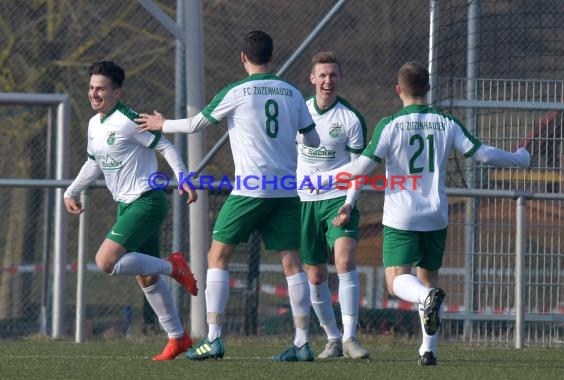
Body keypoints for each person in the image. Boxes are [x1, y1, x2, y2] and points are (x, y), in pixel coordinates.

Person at [311, 61, 531, 366]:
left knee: (397, 282)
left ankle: (426, 312)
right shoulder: (446, 122)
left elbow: (360, 167)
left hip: (402, 216)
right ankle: (429, 350)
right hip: (436, 214)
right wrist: (519, 158)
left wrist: (321, 179)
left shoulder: (389, 124)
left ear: (398, 90)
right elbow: (482, 154)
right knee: (428, 280)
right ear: (428, 89)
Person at [136, 30, 321, 362]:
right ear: (272, 56)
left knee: (217, 257)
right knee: (293, 263)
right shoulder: (293, 93)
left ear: (243, 57)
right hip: (286, 191)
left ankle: (215, 338)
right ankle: (302, 342)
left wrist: (161, 124)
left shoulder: (237, 92)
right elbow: (314, 142)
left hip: (250, 190)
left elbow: (195, 125)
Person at [63, 61, 199, 361]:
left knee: (105, 261)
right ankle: (178, 338)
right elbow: (93, 162)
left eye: (100, 88)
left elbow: (166, 146)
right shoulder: (93, 124)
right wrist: (71, 190)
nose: (94, 93)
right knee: (146, 278)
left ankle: (174, 266)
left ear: (117, 92)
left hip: (147, 200)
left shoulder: (128, 120)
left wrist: (184, 178)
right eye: (91, 87)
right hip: (126, 206)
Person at [296, 52, 369, 359]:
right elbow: (286, 155)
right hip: (304, 202)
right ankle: (333, 338)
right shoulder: (297, 111)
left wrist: (349, 204)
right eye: (322, 75)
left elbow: (359, 168)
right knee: (314, 276)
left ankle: (352, 337)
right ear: (313, 79)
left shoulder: (351, 118)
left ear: (340, 78)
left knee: (344, 261)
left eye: (333, 75)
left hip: (338, 200)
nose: (328, 81)